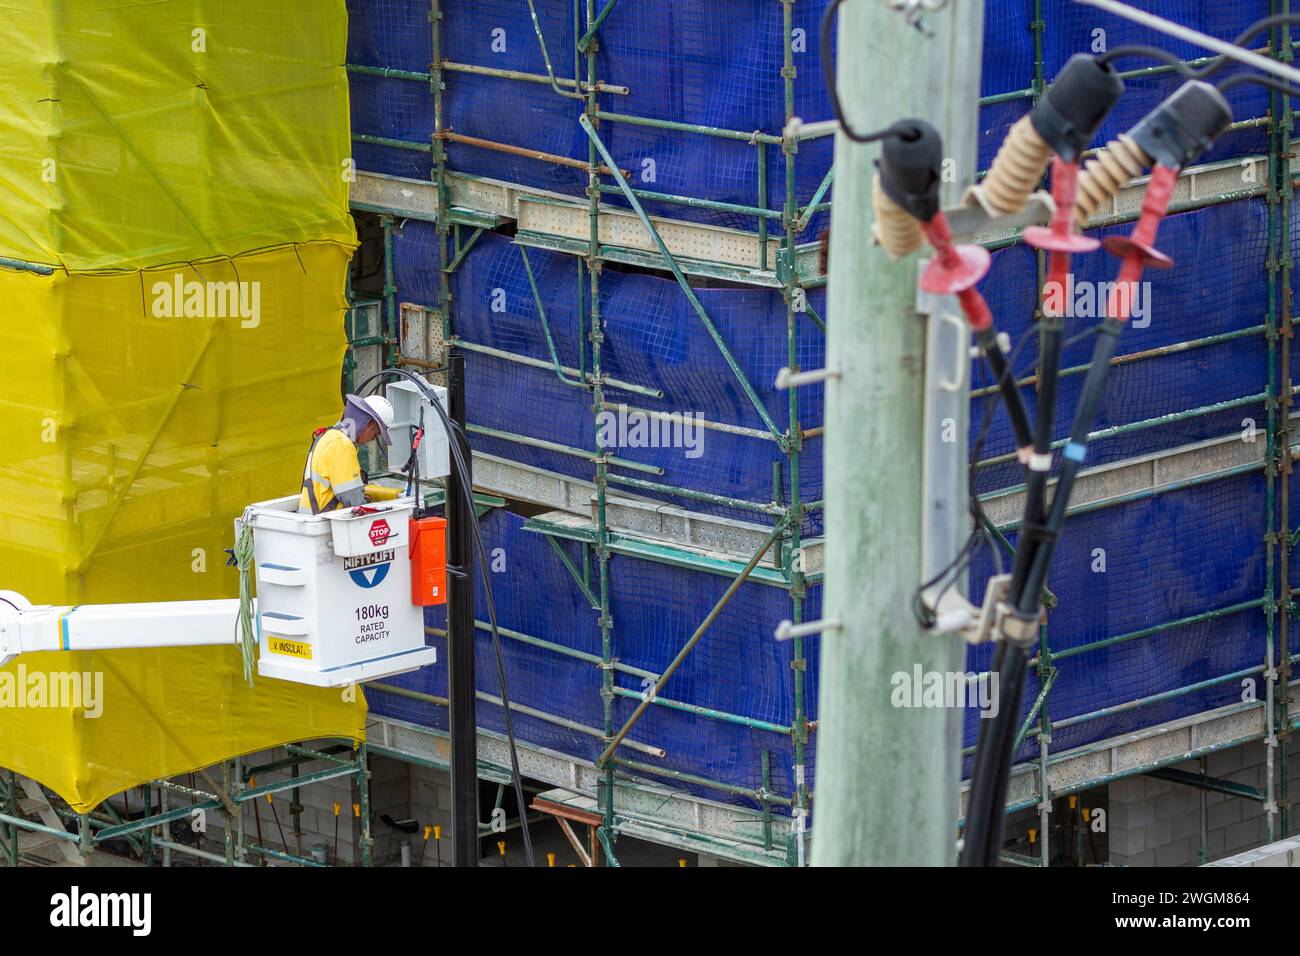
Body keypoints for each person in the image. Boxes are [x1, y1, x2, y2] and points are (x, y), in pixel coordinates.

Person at [299, 394, 395, 514]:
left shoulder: (330, 435)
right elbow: (353, 499)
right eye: (375, 433)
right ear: (368, 424)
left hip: (315, 517)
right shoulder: (343, 445)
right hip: (325, 522)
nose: (372, 439)